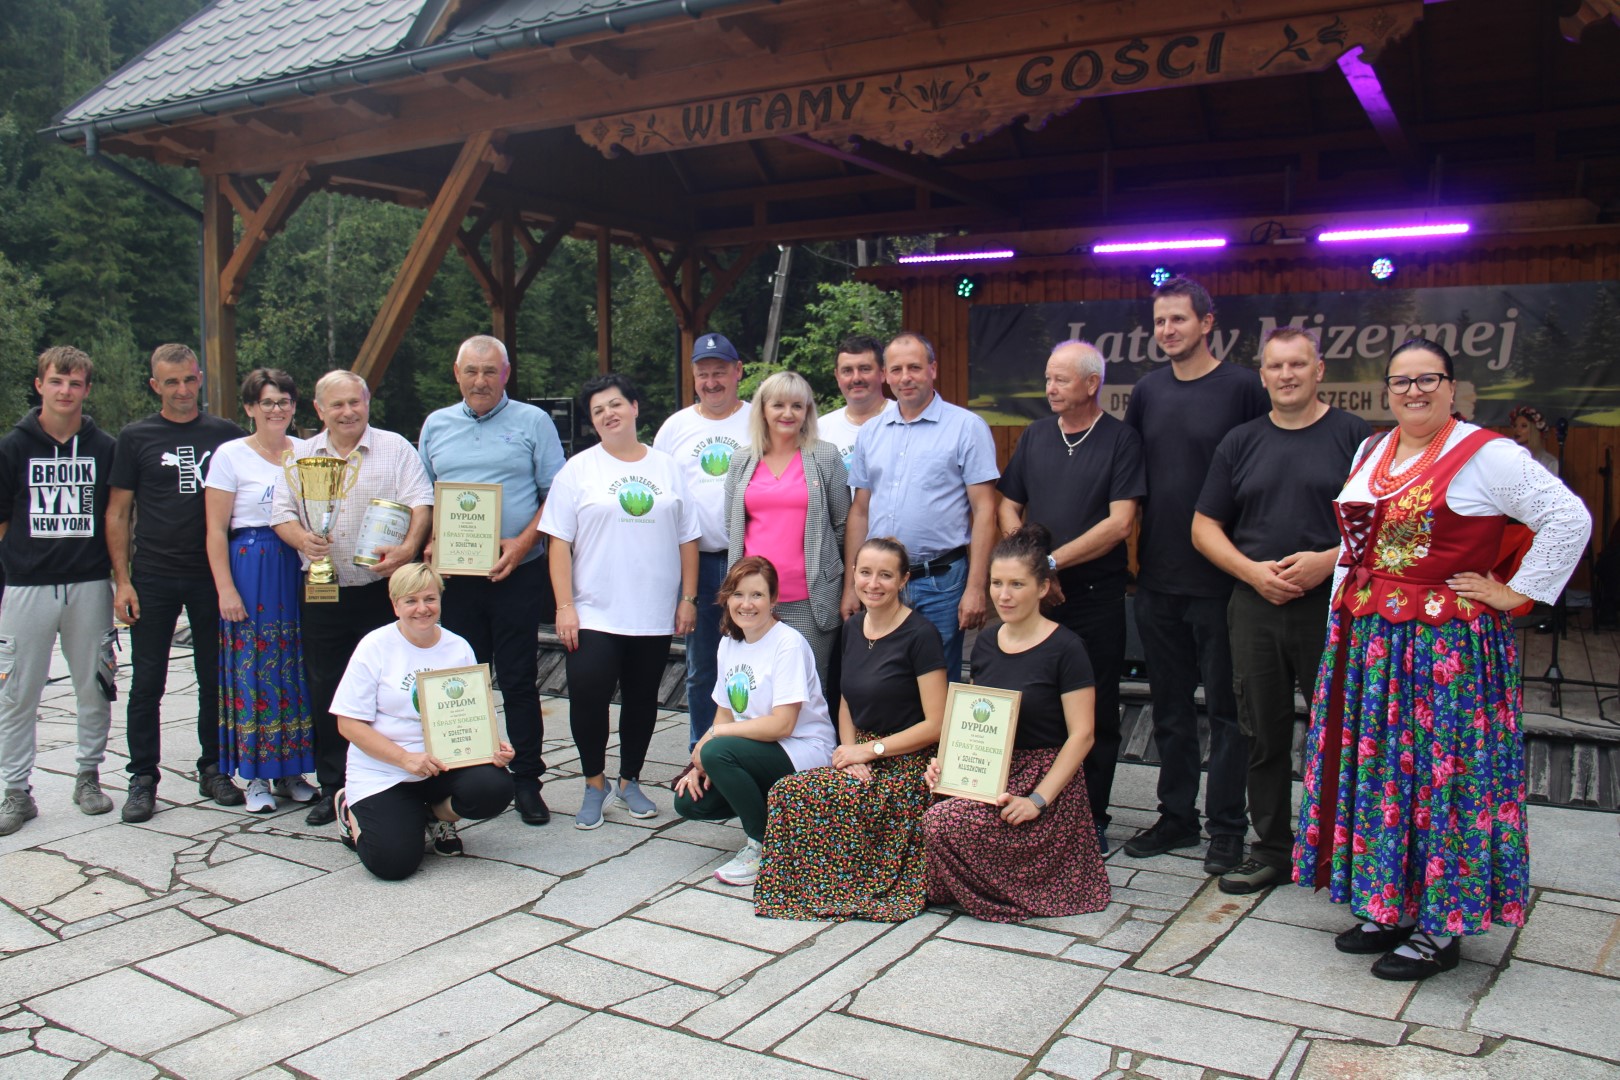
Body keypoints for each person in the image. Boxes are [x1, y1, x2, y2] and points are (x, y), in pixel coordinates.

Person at [1296, 338, 1589, 981]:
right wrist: (1335, 626)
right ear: (1387, 392)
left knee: (1440, 780)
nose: (1414, 391)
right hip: (1373, 647)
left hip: (1444, 653)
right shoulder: (1373, 449)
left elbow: (1567, 517)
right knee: (1384, 779)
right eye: (1401, 382)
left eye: (1428, 379)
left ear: (1451, 387)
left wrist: (1518, 593)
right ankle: (1390, 905)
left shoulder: (1487, 455)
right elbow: (1354, 551)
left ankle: (1439, 925)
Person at [1190, 328, 1371, 894]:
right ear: (1262, 374)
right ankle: (1271, 848)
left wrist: (1328, 561)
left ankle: (1347, 851)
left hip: (1335, 606)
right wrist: (1252, 573)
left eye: (1298, 364)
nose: (1286, 375)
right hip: (1255, 606)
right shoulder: (1240, 442)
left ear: (1320, 370)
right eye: (1275, 366)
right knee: (1260, 732)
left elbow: (1385, 528)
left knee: (1343, 732)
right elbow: (1203, 526)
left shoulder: (1356, 438)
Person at [1122, 277, 1268, 872]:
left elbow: (1261, 469)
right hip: (1157, 578)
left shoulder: (1241, 389)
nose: (1167, 331)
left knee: (1229, 713)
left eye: (1178, 320)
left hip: (1222, 581)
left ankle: (1228, 826)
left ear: (1208, 323)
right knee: (1170, 708)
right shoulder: (1149, 392)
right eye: (1160, 322)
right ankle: (1177, 815)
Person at [998, 340, 1144, 854]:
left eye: (1061, 379)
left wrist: (1052, 564)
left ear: (1091, 383)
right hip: (1038, 597)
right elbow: (1008, 504)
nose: (1050, 387)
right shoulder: (1036, 436)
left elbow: (1120, 523)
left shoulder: (1120, 441)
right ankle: (1025, 801)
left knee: (1097, 710)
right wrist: (1027, 566)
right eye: (1047, 377)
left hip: (1093, 595)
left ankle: (1093, 817)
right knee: (1033, 703)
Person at [921, 525, 1110, 923]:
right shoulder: (987, 641)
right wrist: (947, 764)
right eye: (996, 583)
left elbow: (1083, 735)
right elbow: (974, 718)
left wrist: (1038, 800)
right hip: (993, 768)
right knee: (921, 803)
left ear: (1043, 587)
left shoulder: (1067, 648)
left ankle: (1001, 886)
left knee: (942, 823)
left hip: (1045, 781)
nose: (1003, 595)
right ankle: (976, 879)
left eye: (1017, 584)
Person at [271, 370, 434, 825]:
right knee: (327, 687)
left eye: (355, 402)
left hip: (383, 592)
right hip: (323, 588)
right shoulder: (299, 455)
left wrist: (406, 550)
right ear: (319, 410)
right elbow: (280, 514)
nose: (347, 412)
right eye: (336, 405)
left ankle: (397, 778)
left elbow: (421, 503)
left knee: (389, 687)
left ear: (367, 403)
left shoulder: (395, 448)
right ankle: (334, 786)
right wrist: (303, 539)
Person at [754, 537, 945, 921]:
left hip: (908, 761)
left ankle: (850, 886)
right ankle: (810, 887)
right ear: (854, 574)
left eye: (886, 575)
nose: (874, 583)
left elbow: (936, 723)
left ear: (903, 580)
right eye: (866, 573)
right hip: (861, 753)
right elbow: (844, 701)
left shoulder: (921, 636)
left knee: (839, 799)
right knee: (788, 792)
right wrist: (849, 751)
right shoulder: (853, 628)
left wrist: (870, 752)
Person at [542, 373, 699, 830]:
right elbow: (558, 543)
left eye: (615, 404)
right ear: (593, 422)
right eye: (598, 411)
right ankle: (595, 784)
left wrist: (687, 597)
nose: (608, 414)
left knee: (641, 700)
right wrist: (564, 605)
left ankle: (630, 779)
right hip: (594, 609)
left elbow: (688, 537)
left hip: (651, 610)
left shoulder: (667, 467)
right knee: (588, 693)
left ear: (634, 407)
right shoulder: (578, 470)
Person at [419, 335, 565, 826]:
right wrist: (430, 541)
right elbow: (424, 497)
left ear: (505, 374)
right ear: (456, 372)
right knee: (461, 680)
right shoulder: (436, 425)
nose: (480, 380)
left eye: (490, 371)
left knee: (520, 679)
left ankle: (526, 780)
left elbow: (555, 495)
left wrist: (523, 544)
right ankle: (470, 775)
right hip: (456, 578)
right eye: (471, 371)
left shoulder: (532, 422)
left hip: (516, 572)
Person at [108, 343, 247, 821]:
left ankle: (214, 767)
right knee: (147, 681)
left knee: (214, 677)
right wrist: (122, 581)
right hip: (154, 575)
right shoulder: (135, 437)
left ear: (201, 377)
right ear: (156, 385)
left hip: (211, 575)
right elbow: (119, 512)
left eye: (189, 379)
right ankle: (142, 777)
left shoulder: (226, 435)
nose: (183, 390)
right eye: (172, 382)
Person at [329, 564, 514, 880]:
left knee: (494, 786)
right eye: (410, 601)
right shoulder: (374, 647)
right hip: (385, 769)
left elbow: (474, 711)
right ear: (395, 604)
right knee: (393, 864)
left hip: (444, 763)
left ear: (441, 600)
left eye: (430, 598)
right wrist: (404, 759)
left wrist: (492, 745)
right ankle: (349, 808)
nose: (422, 609)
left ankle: (435, 815)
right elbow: (348, 724)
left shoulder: (458, 647)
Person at [0, 347, 119, 836]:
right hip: (26, 584)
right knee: (16, 692)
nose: (65, 391)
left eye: (75, 383)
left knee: (95, 686)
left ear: (87, 389)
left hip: (89, 582)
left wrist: (120, 578)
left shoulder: (105, 447)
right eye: (57, 381)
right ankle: (14, 791)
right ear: (40, 385)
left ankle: (88, 776)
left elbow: (116, 517)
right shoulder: (13, 446)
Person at [674, 556, 836, 887]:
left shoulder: (787, 643)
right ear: (727, 598)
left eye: (757, 595)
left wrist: (713, 740)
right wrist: (699, 765)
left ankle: (761, 846)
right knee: (689, 802)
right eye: (738, 594)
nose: (746, 604)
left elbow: (782, 726)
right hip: (757, 749)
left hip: (802, 750)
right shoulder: (729, 644)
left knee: (718, 752)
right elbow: (725, 711)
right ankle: (782, 822)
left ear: (774, 600)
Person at [846, 332, 998, 682]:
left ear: (933, 369)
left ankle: (934, 740)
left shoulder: (966, 428)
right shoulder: (871, 432)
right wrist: (852, 584)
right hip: (881, 581)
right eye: (896, 369)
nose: (905, 377)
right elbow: (860, 511)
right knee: (884, 676)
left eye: (914, 367)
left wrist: (976, 587)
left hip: (940, 580)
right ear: (885, 375)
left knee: (937, 678)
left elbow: (985, 510)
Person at [204, 369, 316, 813]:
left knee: (295, 666)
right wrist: (225, 588)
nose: (277, 410)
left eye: (284, 401)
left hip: (296, 564)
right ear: (250, 407)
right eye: (267, 402)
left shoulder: (307, 452)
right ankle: (254, 775)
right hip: (251, 566)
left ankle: (292, 769)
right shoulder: (231, 455)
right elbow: (214, 529)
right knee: (254, 668)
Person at [654, 333, 752, 755]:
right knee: (701, 666)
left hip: (749, 565)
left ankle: (750, 750)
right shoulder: (676, 428)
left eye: (720, 372)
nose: (712, 382)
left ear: (738, 372)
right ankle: (701, 752)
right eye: (703, 374)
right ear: (694, 377)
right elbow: (660, 495)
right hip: (696, 563)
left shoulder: (757, 419)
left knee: (755, 663)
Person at [724, 370, 849, 688]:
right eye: (778, 405)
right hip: (754, 600)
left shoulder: (825, 456)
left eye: (797, 405)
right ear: (763, 409)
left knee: (809, 688)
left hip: (810, 599)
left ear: (808, 410)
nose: (788, 413)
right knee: (758, 687)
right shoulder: (742, 460)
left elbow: (841, 525)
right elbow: (733, 524)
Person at [817, 335, 892, 474]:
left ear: (882, 373)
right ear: (837, 377)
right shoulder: (820, 430)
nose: (856, 378)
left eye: (865, 369)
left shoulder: (903, 419)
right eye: (847, 371)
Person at [1507, 405, 1560, 476]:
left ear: (1534, 430)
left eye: (1524, 426)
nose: (1517, 430)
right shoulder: (1509, 458)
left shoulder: (1549, 462)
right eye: (1515, 426)